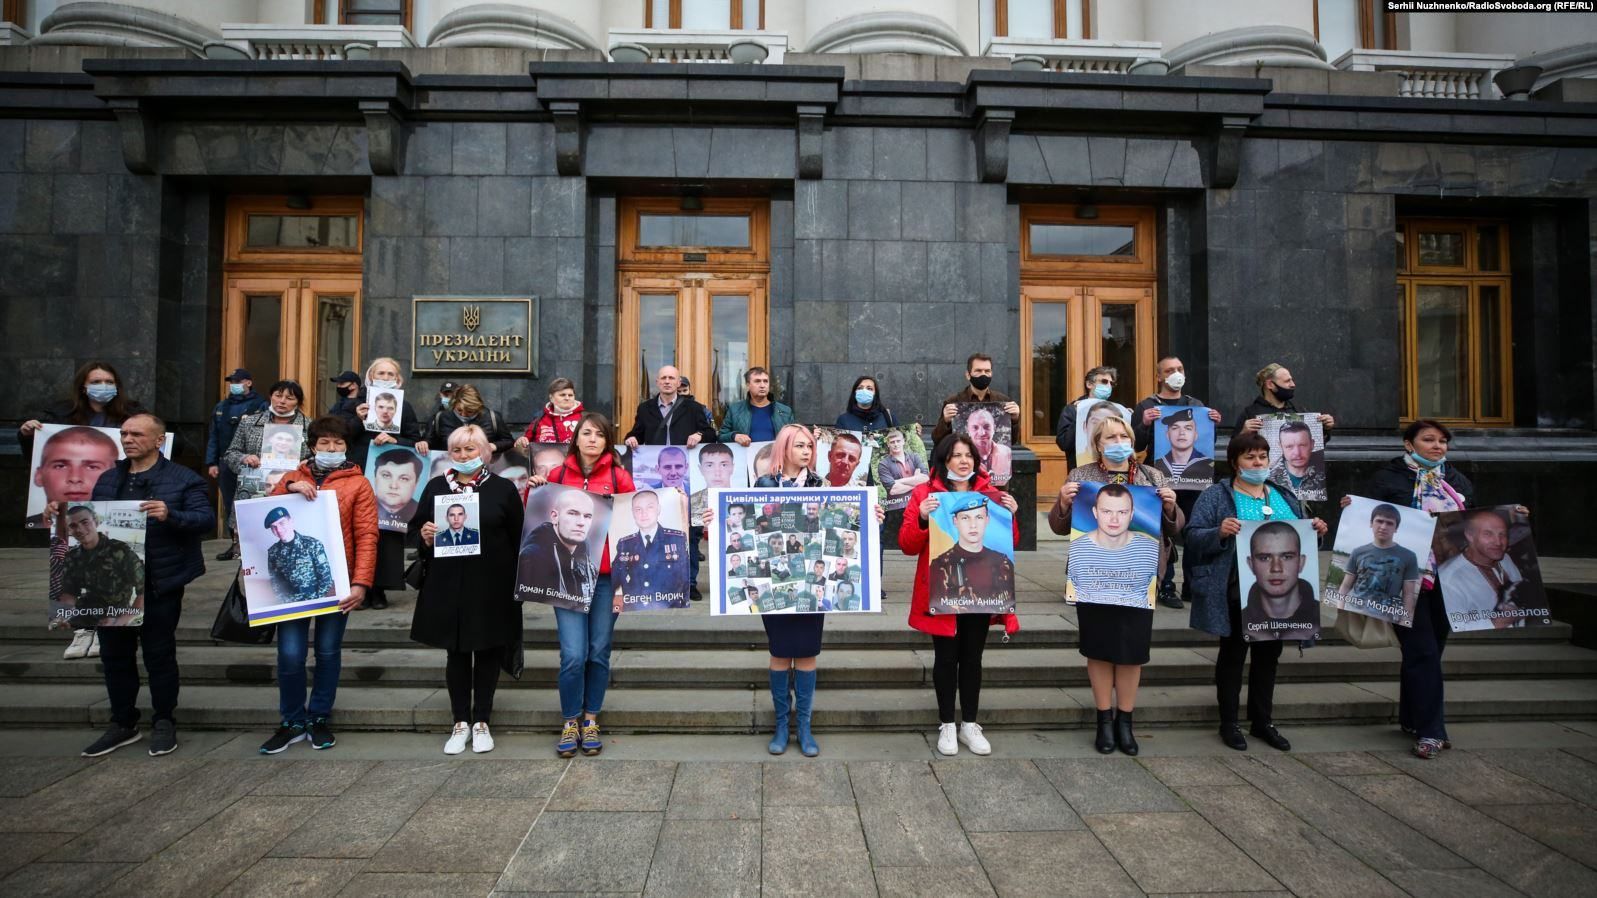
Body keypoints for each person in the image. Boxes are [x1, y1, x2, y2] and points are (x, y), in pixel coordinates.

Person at [80, 413, 214, 758]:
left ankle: (164, 721)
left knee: (159, 654)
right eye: (124, 434)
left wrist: (172, 515)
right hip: (113, 583)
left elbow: (205, 520)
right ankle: (122, 722)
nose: (128, 439)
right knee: (114, 656)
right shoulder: (109, 479)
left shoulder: (184, 479)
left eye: (137, 434)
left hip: (160, 581)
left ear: (158, 440)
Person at [1049, 416, 1182, 757]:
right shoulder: (1082, 477)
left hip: (1138, 579)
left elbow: (1176, 527)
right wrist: (1063, 502)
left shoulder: (1152, 476)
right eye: (1111, 436)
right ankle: (1103, 719)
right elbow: (1060, 527)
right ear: (1098, 444)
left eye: (1124, 435)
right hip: (1094, 579)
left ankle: (1126, 719)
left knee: (1131, 652)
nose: (1119, 441)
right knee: (1098, 649)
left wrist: (1170, 505)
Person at [1186, 431, 1327, 753]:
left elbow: (1301, 537)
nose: (1257, 462)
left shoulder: (1283, 495)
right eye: (1250, 457)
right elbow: (1192, 536)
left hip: (1277, 596)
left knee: (1269, 657)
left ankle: (1263, 721)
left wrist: (1316, 532)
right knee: (1233, 656)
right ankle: (1229, 723)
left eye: (1262, 456)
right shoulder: (1216, 496)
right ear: (1235, 462)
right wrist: (1218, 532)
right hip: (1237, 589)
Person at [1355, 419, 1478, 759]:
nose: (1438, 446)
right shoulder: (1388, 479)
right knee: (1422, 649)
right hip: (1402, 578)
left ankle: (1412, 717)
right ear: (1409, 444)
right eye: (1429, 440)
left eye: (1443, 441)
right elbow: (1367, 522)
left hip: (1449, 577)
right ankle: (1432, 732)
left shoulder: (1456, 480)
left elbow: (1474, 521)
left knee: (1430, 649)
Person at [258, 415, 377, 753]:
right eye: (324, 443)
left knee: (327, 652)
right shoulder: (292, 477)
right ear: (312, 446)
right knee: (290, 654)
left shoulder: (358, 484)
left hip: (335, 582)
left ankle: (319, 716)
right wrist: (289, 488)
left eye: (338, 444)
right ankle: (292, 720)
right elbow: (263, 510)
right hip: (289, 592)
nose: (331, 448)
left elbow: (367, 535)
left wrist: (361, 582)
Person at [902, 434, 1020, 757]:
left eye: (968, 455)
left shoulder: (991, 495)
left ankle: (969, 723)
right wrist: (924, 518)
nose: (963, 461)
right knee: (945, 658)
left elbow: (1009, 541)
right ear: (944, 460)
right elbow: (907, 544)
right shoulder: (925, 494)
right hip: (942, 594)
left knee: (972, 658)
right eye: (956, 455)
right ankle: (947, 724)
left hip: (981, 595)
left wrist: (1011, 513)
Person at [409, 424, 523, 756]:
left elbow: (518, 538)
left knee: (487, 652)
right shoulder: (435, 487)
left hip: (491, 584)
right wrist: (425, 535)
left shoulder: (502, 489)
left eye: (471, 449)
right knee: (456, 654)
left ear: (486, 452)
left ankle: (482, 721)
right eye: (457, 450)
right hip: (447, 584)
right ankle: (460, 721)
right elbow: (416, 529)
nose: (464, 456)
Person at [540, 413, 636, 757]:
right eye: (586, 433)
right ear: (576, 438)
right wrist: (531, 494)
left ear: (607, 440)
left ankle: (591, 717)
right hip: (565, 576)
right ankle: (570, 720)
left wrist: (626, 584)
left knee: (598, 651)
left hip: (608, 579)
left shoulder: (619, 477)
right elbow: (538, 521)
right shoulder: (556, 475)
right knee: (572, 654)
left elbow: (628, 531)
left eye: (599, 434)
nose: (592, 439)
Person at [753, 424, 826, 757]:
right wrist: (715, 520)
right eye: (800, 445)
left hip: (812, 580)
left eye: (809, 446)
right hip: (776, 580)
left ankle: (805, 727)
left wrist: (871, 515)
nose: (807, 451)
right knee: (781, 652)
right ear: (784, 448)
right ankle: (782, 724)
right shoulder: (764, 484)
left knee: (807, 652)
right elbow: (748, 529)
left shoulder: (821, 484)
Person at [1138, 363, 1221, 612]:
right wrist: (1143, 423)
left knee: (1195, 532)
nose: (1176, 373)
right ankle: (1166, 585)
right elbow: (1137, 442)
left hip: (1195, 482)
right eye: (1170, 369)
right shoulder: (1147, 405)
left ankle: (1193, 585)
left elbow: (1207, 440)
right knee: (1164, 534)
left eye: (1181, 368)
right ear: (1159, 376)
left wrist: (1213, 423)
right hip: (1159, 479)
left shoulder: (1196, 405)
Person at [17, 360, 146, 458]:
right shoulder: (60, 414)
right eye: (96, 382)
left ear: (117, 386)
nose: (104, 386)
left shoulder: (134, 414)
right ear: (83, 387)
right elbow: (37, 455)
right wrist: (28, 436)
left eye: (109, 382)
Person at [205, 368, 267, 561]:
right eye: (232, 381)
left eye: (238, 381)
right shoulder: (222, 407)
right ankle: (235, 545)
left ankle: (254, 545)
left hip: (253, 464)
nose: (234, 385)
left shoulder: (260, 405)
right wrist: (212, 462)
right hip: (227, 461)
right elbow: (213, 435)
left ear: (248, 382)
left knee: (250, 504)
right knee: (230, 503)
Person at [224, 380, 312, 512]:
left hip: (294, 493)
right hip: (254, 492)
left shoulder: (310, 427)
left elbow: (318, 457)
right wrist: (244, 458)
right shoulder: (249, 422)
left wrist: (309, 463)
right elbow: (230, 454)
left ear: (298, 402)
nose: (282, 401)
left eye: (289, 398)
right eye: (278, 396)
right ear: (271, 397)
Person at [1438, 509, 1528, 632]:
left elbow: (1523, 595)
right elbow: (1455, 627)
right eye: (1488, 534)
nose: (1498, 542)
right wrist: (1498, 622)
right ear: (1470, 536)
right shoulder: (1448, 579)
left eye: (1502, 534)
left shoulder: (1505, 558)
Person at [60, 504, 145, 627]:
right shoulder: (72, 557)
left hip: (116, 616)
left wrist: (121, 621)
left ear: (96, 522)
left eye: (85, 522)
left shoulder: (120, 552)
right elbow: (69, 593)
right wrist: (65, 615)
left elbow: (143, 592)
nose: (79, 529)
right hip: (85, 614)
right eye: (73, 526)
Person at [1336, 503, 1421, 623]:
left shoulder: (1409, 557)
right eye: (1379, 521)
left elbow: (1408, 594)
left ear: (1396, 528)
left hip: (1385, 620)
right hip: (1353, 613)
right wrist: (1340, 608)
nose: (1383, 526)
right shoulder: (1357, 552)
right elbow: (1345, 585)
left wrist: (1405, 620)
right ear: (1371, 523)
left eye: (1390, 523)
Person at [28, 425, 120, 530]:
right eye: (60, 466)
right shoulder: (32, 527)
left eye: (92, 467)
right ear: (39, 476)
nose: (75, 478)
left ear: (116, 475)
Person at [1240, 522, 1319, 636]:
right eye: (1264, 558)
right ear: (1251, 564)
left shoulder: (1315, 619)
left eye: (1287, 557)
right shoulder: (1241, 620)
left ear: (1301, 562)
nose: (1276, 568)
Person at [613, 489, 690, 608]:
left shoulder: (676, 539)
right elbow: (614, 580)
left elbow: (685, 579)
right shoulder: (625, 544)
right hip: (635, 610)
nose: (644, 513)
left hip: (669, 607)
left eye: (650, 507)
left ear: (658, 509)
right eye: (638, 509)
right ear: (632, 512)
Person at [933, 353, 1020, 446]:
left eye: (987, 371)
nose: (983, 374)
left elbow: (1011, 441)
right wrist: (945, 422)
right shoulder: (953, 401)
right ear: (968, 375)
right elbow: (937, 440)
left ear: (991, 373)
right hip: (964, 459)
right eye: (978, 370)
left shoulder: (1003, 401)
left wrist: (1015, 420)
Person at [626, 365, 717, 449]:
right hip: (655, 462)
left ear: (678, 383)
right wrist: (631, 439)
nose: (667, 381)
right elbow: (636, 435)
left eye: (671, 378)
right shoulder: (644, 408)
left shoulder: (694, 407)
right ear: (657, 382)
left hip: (683, 463)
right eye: (663, 378)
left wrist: (699, 435)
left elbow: (711, 435)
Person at [1237, 363, 1336, 436]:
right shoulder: (1250, 413)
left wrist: (1325, 429)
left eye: (1292, 380)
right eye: (1287, 381)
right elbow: (1233, 451)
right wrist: (1243, 433)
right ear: (1270, 385)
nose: (1293, 384)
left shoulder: (1298, 411)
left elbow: (1313, 445)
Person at [262, 506, 334, 605]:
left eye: (282, 523)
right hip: (290, 604)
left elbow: (325, 577)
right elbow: (275, 581)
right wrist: (284, 601)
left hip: (315, 600)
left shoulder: (313, 545)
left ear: (291, 521)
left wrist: (317, 599)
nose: (278, 529)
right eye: (273, 527)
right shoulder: (273, 552)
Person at [421, 383, 514, 459]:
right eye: (459, 410)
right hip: (449, 466)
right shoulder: (442, 417)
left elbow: (509, 442)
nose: (463, 415)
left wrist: (494, 446)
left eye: (469, 411)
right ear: (454, 404)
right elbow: (430, 441)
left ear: (477, 407)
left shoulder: (492, 418)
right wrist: (424, 443)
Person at [1053, 365, 1119, 469]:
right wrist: (1081, 415)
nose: (1109, 386)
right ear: (1089, 384)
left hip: (1111, 470)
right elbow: (1064, 443)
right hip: (1081, 472)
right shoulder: (1072, 410)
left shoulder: (1115, 411)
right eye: (1104, 382)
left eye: (1111, 383)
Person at [720, 366, 794, 445]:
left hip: (777, 456)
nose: (762, 385)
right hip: (745, 456)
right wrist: (734, 436)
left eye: (765, 381)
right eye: (757, 381)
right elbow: (721, 436)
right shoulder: (735, 410)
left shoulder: (785, 411)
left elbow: (794, 437)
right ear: (748, 385)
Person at [516, 377, 586, 450]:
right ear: (551, 398)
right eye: (562, 395)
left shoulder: (584, 418)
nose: (567, 398)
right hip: (546, 460)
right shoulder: (539, 420)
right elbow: (525, 444)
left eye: (570, 395)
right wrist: (521, 441)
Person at [1268, 420, 1326, 498]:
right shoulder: (1268, 476)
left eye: (1302, 445)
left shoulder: (1324, 471)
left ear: (1312, 444)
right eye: (1289, 446)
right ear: (1281, 446)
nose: (1297, 453)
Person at [370, 447, 424, 530]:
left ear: (416, 482)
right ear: (375, 477)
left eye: (404, 479)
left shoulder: (423, 514)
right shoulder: (361, 507)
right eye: (386, 475)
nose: (393, 486)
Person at [876, 429, 930, 500]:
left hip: (918, 501)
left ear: (903, 441)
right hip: (897, 505)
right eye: (892, 442)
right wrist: (916, 481)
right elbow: (893, 490)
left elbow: (926, 478)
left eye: (898, 441)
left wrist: (898, 481)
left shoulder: (914, 457)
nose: (896, 444)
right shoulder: (883, 464)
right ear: (888, 444)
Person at [963, 406, 1011, 484]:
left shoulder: (1006, 453)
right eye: (975, 427)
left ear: (994, 428)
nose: (982, 433)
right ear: (968, 430)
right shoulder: (961, 456)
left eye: (987, 427)